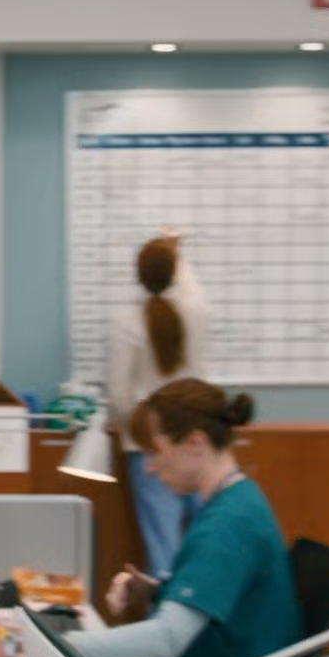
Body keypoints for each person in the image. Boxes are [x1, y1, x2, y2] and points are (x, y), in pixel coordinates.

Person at [68, 378, 299, 657]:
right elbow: (219, 599)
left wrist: (61, 647)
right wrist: (154, 590)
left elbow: (168, 638)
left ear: (195, 442)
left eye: (156, 451)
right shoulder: (235, 502)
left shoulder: (228, 524)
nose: (150, 467)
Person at [106, 231, 211, 579]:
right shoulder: (198, 312)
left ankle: (166, 614)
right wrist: (176, 253)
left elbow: (118, 396)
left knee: (163, 556)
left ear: (139, 277)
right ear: (175, 272)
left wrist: (137, 427)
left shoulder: (127, 323)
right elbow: (191, 289)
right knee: (207, 546)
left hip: (149, 449)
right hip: (196, 443)